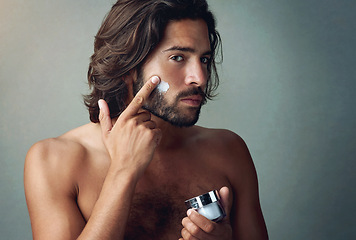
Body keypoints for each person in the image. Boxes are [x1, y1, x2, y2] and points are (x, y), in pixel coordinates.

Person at [24, 0, 269, 239]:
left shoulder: (228, 151)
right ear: (128, 66)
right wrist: (123, 172)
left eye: (204, 59)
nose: (200, 77)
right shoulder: (54, 160)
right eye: (178, 58)